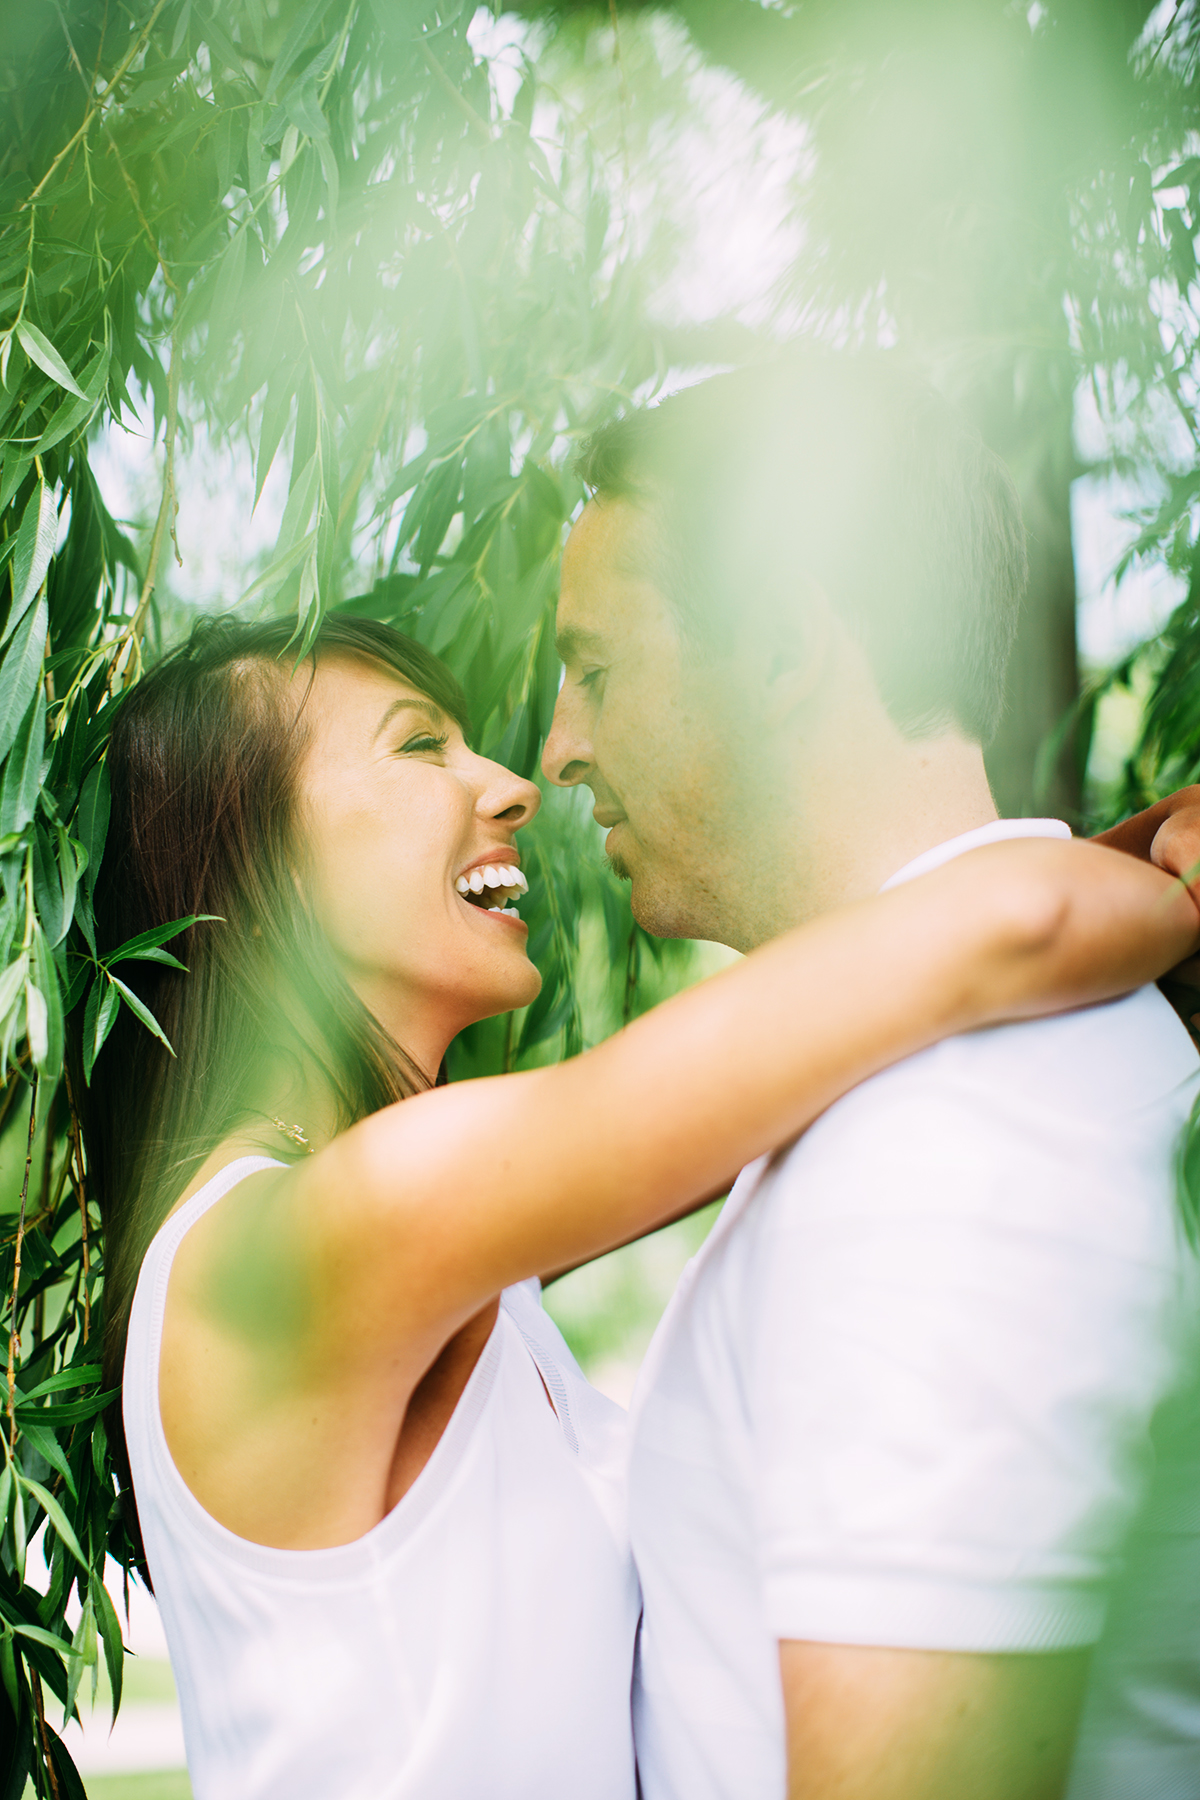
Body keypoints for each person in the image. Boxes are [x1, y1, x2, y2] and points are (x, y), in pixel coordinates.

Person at [77, 612, 1195, 1800]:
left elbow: (761, 1089)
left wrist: (1127, 858)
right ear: (251, 864)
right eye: (417, 749)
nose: (511, 786)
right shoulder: (312, 1245)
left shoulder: (388, 1254)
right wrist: (1171, 894)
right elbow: (1007, 932)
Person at [540, 350, 1200, 1800]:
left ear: (779, 647)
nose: (558, 753)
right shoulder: (937, 1078)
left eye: (597, 670)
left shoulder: (948, 1146)